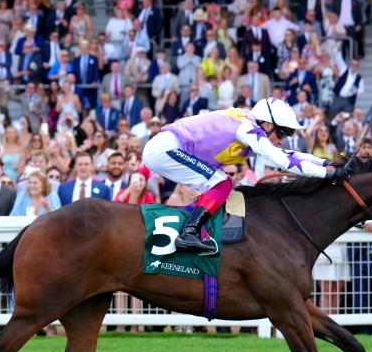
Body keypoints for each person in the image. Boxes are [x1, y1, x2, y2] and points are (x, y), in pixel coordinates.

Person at [142, 98, 344, 255]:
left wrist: (324, 163)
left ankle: (194, 230)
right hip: (165, 149)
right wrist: (327, 174)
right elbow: (283, 161)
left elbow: (288, 155)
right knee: (222, 184)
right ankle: (189, 233)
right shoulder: (248, 129)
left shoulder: (251, 125)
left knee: (220, 186)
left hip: (167, 148)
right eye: (282, 133)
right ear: (267, 125)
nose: (282, 141)